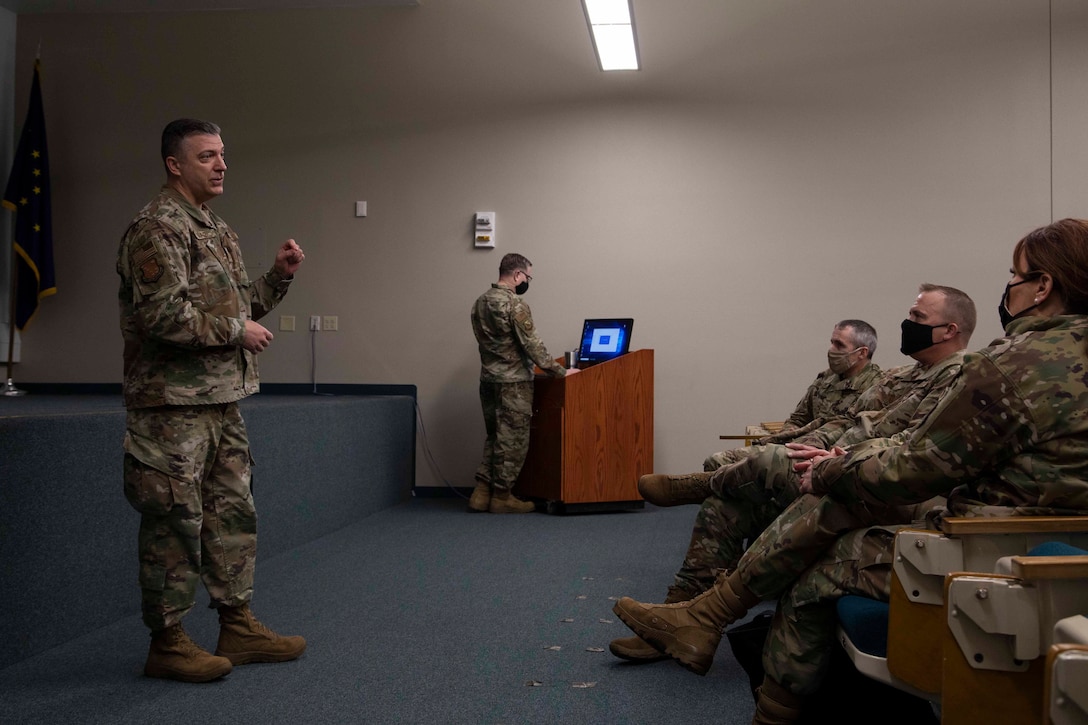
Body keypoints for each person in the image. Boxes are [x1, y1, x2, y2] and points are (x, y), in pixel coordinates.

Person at [612, 219, 1088, 724]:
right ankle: (699, 614)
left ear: (1042, 286)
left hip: (993, 546)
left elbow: (918, 467)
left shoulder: (1013, 364)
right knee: (810, 488)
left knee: (822, 549)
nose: (1009, 288)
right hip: (1057, 543)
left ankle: (733, 657)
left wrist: (837, 471)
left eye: (1015, 276)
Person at [610, 283, 975, 662]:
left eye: (918, 317)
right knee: (724, 507)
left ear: (949, 330)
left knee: (768, 464)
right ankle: (679, 621)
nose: (907, 322)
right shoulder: (904, 375)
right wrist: (818, 446)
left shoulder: (959, 377)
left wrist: (837, 457)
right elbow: (846, 421)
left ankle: (699, 488)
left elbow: (910, 445)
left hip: (873, 486)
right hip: (838, 465)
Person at [117, 119, 306, 683]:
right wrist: (234, 333)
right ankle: (168, 641)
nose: (221, 164)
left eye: (223, 154)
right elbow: (160, 314)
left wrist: (278, 277)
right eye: (207, 156)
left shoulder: (214, 228)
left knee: (230, 513)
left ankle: (237, 625)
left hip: (221, 399)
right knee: (175, 521)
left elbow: (241, 304)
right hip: (171, 406)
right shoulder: (156, 227)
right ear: (175, 164)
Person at [470, 253, 579, 513]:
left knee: (495, 437)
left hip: (489, 380)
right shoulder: (515, 304)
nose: (527, 281)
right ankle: (502, 497)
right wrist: (561, 372)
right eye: (527, 277)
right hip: (514, 384)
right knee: (513, 440)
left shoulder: (480, 302)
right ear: (518, 275)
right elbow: (532, 345)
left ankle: (480, 493)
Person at [697, 319, 881, 473]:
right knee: (717, 462)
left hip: (824, 461)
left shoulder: (878, 387)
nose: (831, 349)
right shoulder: (826, 379)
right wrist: (784, 443)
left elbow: (862, 439)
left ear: (862, 353)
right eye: (832, 342)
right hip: (795, 448)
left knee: (742, 468)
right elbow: (799, 418)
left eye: (839, 344)